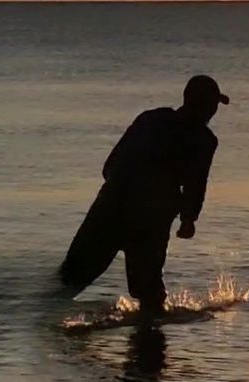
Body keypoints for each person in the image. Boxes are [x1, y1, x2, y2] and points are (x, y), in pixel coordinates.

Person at [58, 74, 228, 321]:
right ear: (201, 105)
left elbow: (109, 167)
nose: (214, 111)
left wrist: (121, 192)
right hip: (149, 220)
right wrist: (188, 219)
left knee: (69, 280)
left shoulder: (150, 119)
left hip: (111, 205)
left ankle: (42, 333)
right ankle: (147, 347)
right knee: (150, 298)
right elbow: (196, 184)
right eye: (212, 104)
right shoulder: (203, 140)